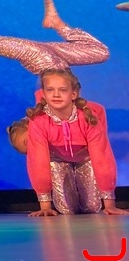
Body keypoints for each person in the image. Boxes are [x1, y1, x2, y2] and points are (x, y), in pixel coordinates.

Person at [7, 68, 125, 217]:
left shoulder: (88, 118)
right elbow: (38, 161)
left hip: (85, 157)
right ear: (44, 94)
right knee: (67, 210)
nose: (56, 95)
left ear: (73, 94)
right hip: (58, 159)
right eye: (50, 90)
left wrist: (110, 204)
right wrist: (45, 206)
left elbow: (101, 157)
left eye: (62, 90)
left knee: (91, 207)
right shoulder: (39, 121)